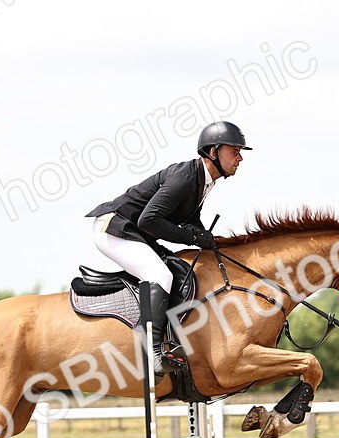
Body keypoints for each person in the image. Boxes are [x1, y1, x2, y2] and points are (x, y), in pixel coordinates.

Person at [85, 120, 251, 374]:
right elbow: (148, 220)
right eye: (234, 151)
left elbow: (187, 217)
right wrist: (193, 238)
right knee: (160, 275)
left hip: (135, 231)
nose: (239, 158)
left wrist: (203, 235)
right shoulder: (185, 177)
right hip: (114, 228)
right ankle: (151, 349)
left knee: (177, 269)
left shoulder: (204, 180)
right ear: (213, 152)